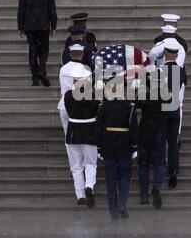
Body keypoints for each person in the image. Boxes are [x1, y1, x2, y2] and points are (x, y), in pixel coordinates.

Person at [96, 74, 138, 221]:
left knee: (111, 178)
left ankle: (113, 209)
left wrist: (100, 147)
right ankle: (122, 203)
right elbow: (133, 129)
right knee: (125, 176)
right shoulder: (130, 106)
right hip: (124, 145)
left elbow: (99, 128)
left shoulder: (104, 107)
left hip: (108, 145)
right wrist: (134, 146)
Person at [64, 66, 99, 207]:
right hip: (90, 130)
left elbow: (68, 111)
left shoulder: (67, 95)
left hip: (73, 131)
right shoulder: (94, 95)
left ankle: (80, 195)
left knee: (76, 166)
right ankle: (89, 186)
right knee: (90, 163)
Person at [17, 0, 57, 87]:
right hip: (44, 25)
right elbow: (52, 10)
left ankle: (35, 77)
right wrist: (53, 26)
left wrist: (20, 27)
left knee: (33, 50)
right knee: (44, 50)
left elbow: (21, 9)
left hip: (29, 26)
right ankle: (41, 70)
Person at [137, 70, 167, 209]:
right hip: (159, 131)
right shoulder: (166, 96)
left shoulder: (145, 96)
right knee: (159, 163)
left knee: (143, 165)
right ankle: (156, 187)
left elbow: (136, 103)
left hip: (144, 131)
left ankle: (143, 195)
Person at [162, 38, 186, 189]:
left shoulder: (160, 71)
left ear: (165, 54)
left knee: (161, 141)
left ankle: (162, 166)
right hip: (175, 108)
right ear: (177, 55)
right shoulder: (181, 70)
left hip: (162, 108)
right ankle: (174, 170)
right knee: (173, 142)